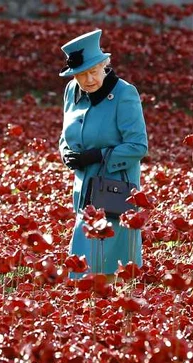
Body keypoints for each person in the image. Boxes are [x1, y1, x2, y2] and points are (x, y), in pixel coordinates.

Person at [57, 29, 148, 280]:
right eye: (81, 74)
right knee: (82, 268)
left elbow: (138, 146)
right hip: (84, 192)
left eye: (93, 71)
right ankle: (89, 317)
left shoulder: (124, 94)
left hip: (114, 193)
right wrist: (67, 153)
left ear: (104, 65)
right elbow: (66, 136)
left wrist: (99, 155)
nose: (88, 80)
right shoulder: (71, 92)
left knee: (105, 268)